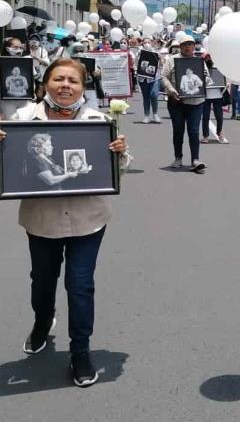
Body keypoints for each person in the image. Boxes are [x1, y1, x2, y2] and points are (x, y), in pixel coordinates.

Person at [0, 57, 130, 387]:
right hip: (41, 219)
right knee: (42, 281)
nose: (65, 86)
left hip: (89, 219)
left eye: (73, 80)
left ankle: (80, 351)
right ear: (45, 83)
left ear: (83, 87)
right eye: (58, 79)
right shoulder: (24, 120)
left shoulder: (97, 120)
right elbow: (12, 163)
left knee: (80, 284)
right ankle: (43, 321)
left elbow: (120, 168)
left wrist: (119, 152)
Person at [161, 34, 208, 172]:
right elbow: (164, 76)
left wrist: (203, 78)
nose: (188, 47)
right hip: (177, 102)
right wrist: (171, 90)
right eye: (185, 44)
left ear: (194, 46)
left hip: (196, 102)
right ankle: (178, 157)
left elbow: (207, 79)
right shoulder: (172, 60)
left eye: (190, 44)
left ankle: (195, 159)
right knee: (178, 130)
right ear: (180, 47)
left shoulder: (199, 61)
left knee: (194, 131)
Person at [1, 37, 33, 119]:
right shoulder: (1, 62)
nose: (19, 50)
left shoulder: (27, 62)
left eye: (21, 48)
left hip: (24, 100)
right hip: (6, 100)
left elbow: (29, 85)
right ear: (7, 49)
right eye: (15, 47)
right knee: (12, 119)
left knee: (25, 121)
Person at [202, 54, 228, 144]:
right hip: (206, 97)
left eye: (210, 58)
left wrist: (226, 83)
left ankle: (219, 132)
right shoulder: (202, 68)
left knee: (219, 117)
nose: (209, 59)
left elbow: (224, 79)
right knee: (205, 117)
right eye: (207, 58)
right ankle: (205, 135)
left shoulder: (219, 68)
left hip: (218, 96)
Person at [138, 49, 162, 124]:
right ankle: (147, 115)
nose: (147, 44)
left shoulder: (156, 53)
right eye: (145, 42)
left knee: (154, 94)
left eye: (148, 42)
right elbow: (135, 64)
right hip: (143, 78)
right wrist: (138, 56)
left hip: (154, 77)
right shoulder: (139, 53)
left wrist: (160, 57)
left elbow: (162, 64)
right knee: (146, 97)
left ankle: (155, 113)